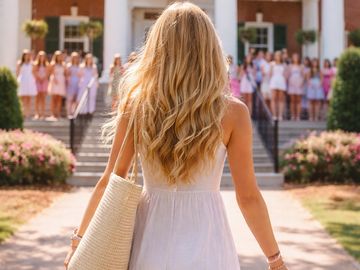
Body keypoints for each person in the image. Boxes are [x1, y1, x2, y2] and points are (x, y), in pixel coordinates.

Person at [64, 3, 288, 270]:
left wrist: (77, 244)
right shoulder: (233, 112)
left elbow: (110, 179)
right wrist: (275, 260)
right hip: (209, 239)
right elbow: (248, 196)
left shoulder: (137, 106)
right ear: (210, 49)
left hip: (150, 238)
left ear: (158, 48)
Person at [16, 49, 37, 119]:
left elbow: (33, 72)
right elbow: (17, 73)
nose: (27, 56)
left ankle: (27, 114)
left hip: (29, 81)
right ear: (23, 55)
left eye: (28, 55)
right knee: (22, 99)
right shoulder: (20, 63)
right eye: (26, 55)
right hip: (22, 81)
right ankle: (21, 113)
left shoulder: (32, 63)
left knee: (28, 99)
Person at [47, 50, 66, 120]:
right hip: (54, 81)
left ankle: (58, 114)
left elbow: (65, 73)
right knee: (53, 99)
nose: (59, 58)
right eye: (58, 56)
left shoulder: (63, 64)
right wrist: (54, 78)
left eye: (60, 56)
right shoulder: (52, 64)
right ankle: (52, 114)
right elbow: (49, 73)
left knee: (59, 99)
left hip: (61, 81)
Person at [269, 51, 287, 120]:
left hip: (281, 81)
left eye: (279, 55)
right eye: (276, 55)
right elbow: (270, 74)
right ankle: (274, 115)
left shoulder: (284, 64)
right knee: (273, 98)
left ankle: (280, 115)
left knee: (280, 99)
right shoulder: (272, 64)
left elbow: (285, 74)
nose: (277, 57)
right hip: (274, 81)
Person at [287, 53, 304, 121]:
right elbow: (288, 75)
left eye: (296, 57)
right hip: (292, 83)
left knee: (298, 101)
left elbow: (303, 76)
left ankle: (298, 116)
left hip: (299, 83)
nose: (295, 58)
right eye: (294, 57)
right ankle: (293, 115)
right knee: (292, 101)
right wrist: (290, 82)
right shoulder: (290, 66)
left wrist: (301, 83)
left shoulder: (301, 66)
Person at [33, 51, 49, 120]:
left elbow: (48, 73)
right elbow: (34, 72)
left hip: (44, 82)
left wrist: (43, 78)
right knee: (37, 98)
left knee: (43, 98)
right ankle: (37, 113)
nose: (42, 58)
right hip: (38, 82)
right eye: (41, 56)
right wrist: (39, 78)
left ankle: (42, 113)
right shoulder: (36, 64)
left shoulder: (47, 64)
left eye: (43, 56)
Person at [66, 52, 81, 116]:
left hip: (78, 83)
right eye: (74, 57)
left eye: (77, 57)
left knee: (76, 99)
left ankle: (74, 112)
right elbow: (67, 74)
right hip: (71, 82)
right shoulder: (69, 65)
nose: (75, 59)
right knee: (70, 99)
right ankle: (69, 112)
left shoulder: (80, 66)